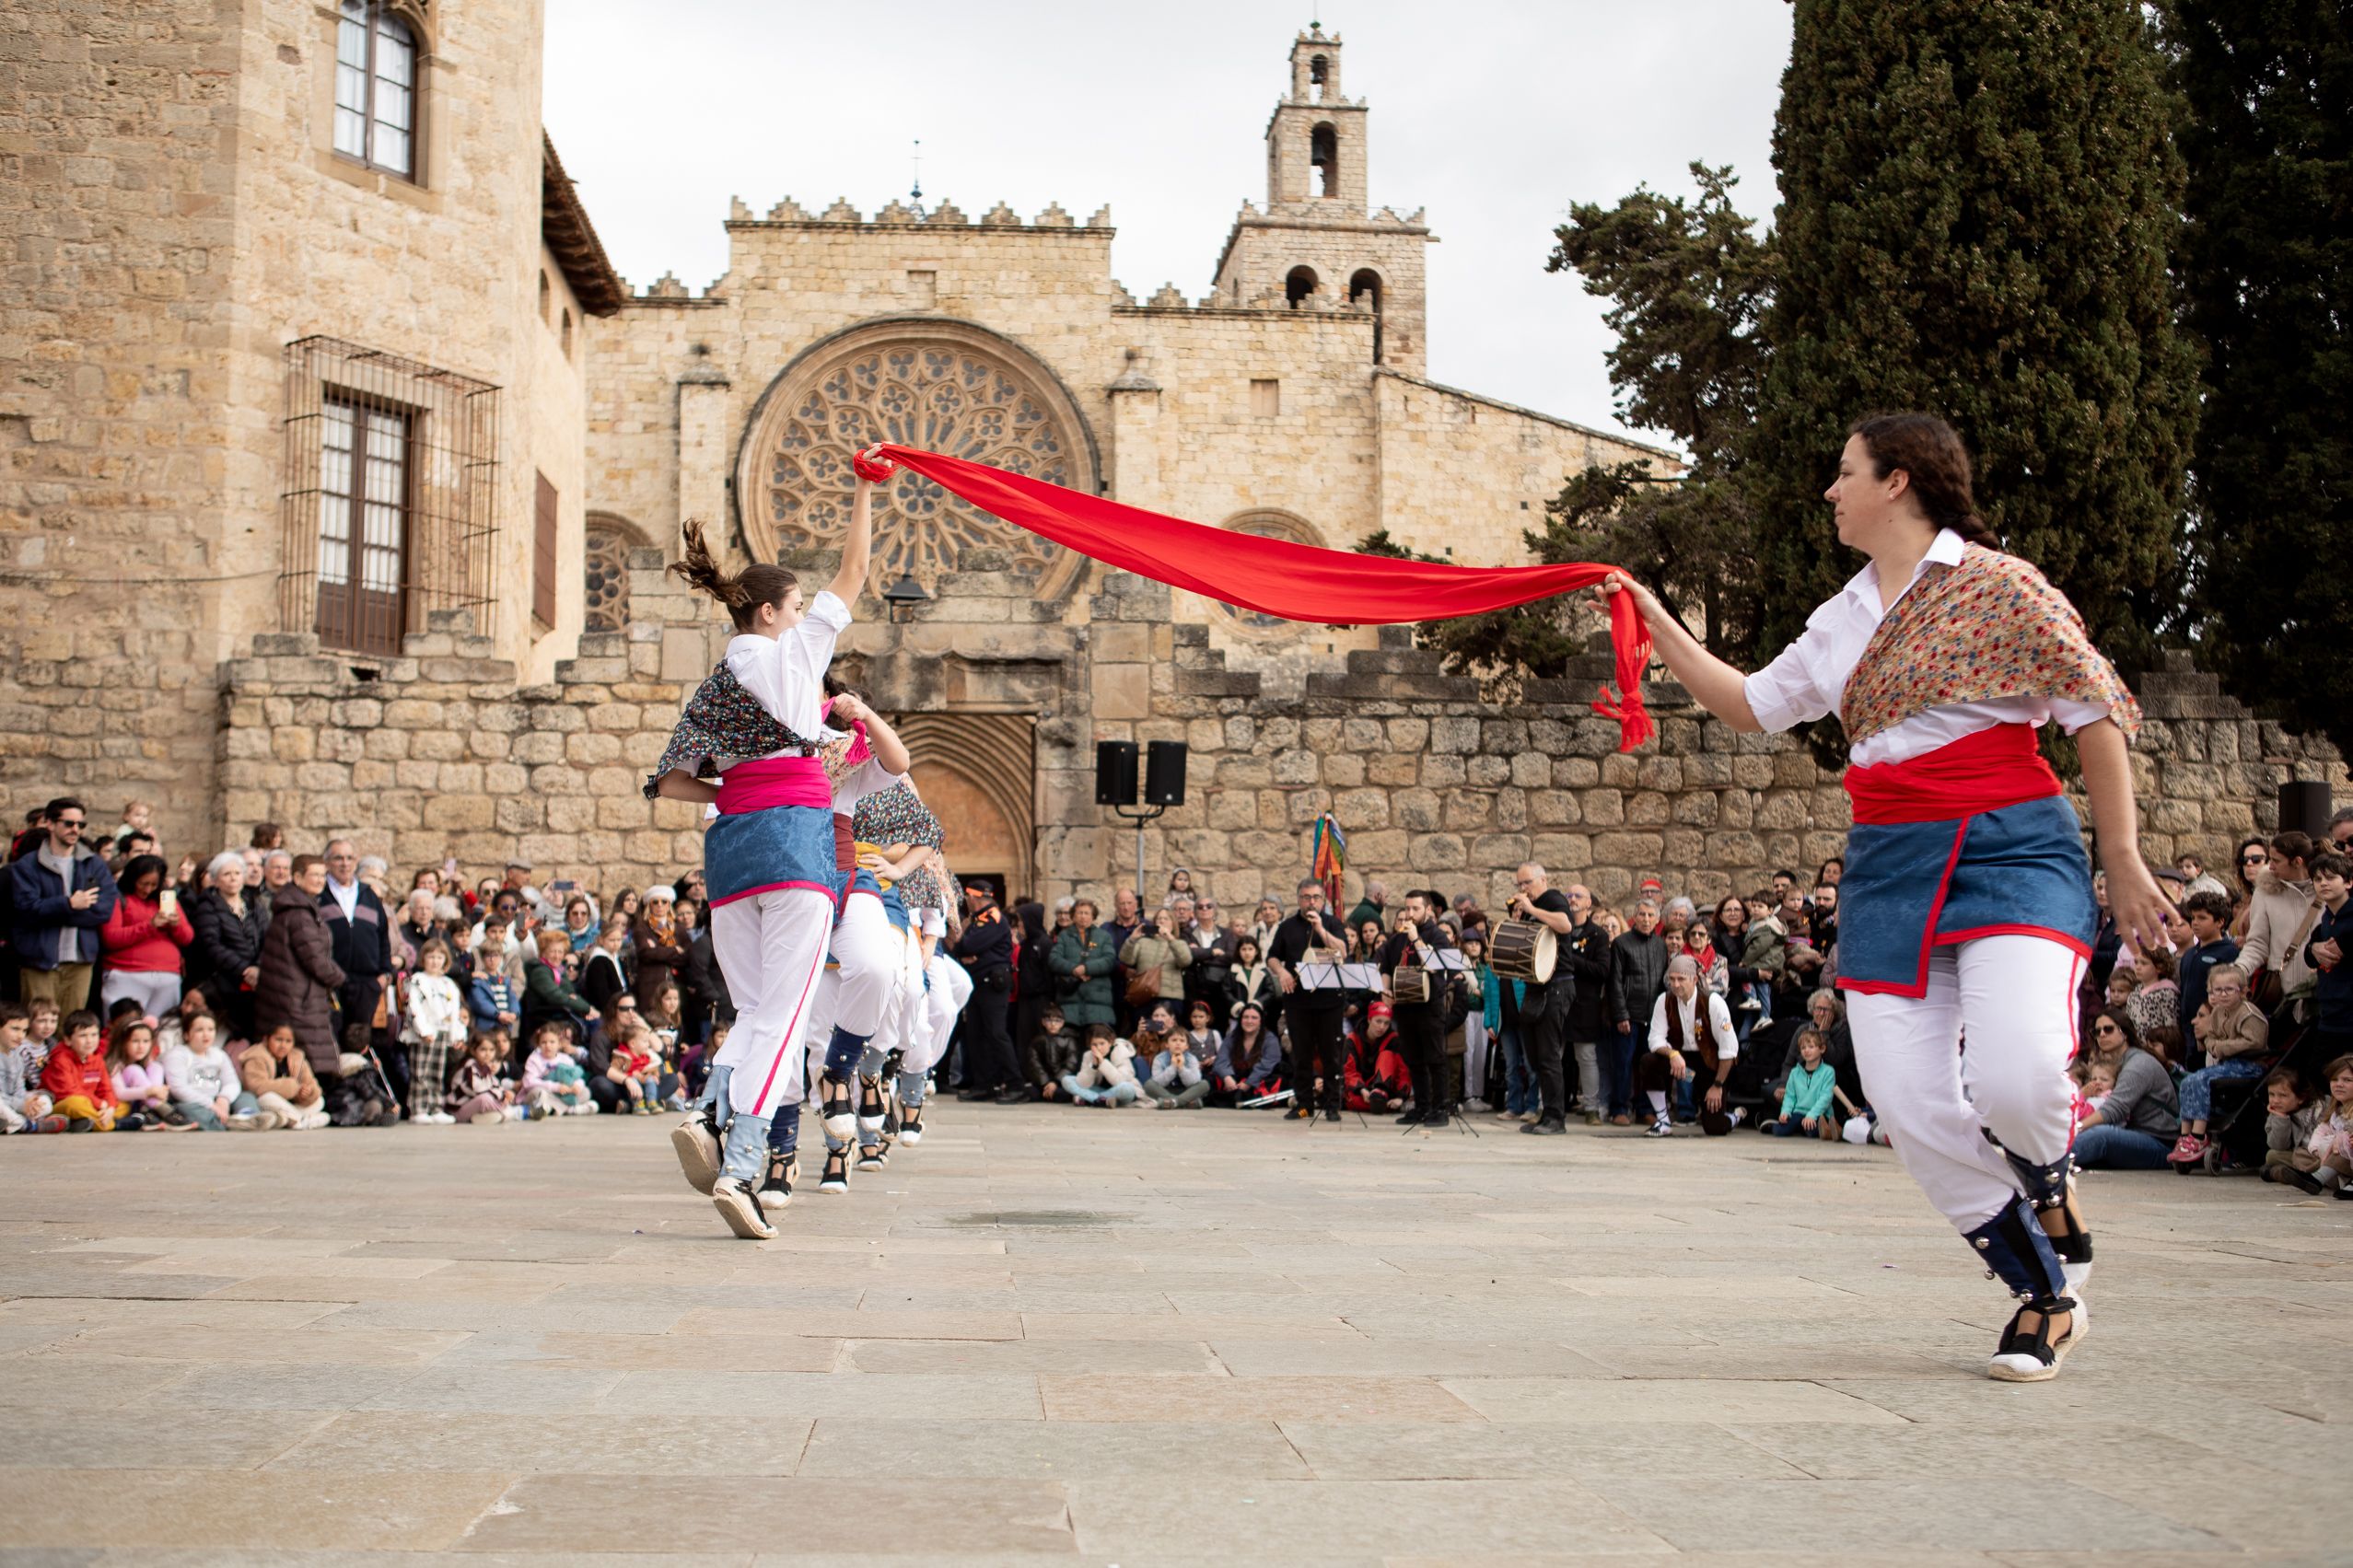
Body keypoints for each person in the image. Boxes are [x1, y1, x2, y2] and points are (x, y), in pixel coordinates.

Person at [1605, 411, 2166, 1380]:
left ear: (1897, 480)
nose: (1829, 490)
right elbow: (1748, 703)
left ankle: (2044, 1176)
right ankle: (2043, 1291)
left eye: (1843, 471)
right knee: (1907, 1103)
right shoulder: (1839, 616)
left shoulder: (2000, 586)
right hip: (1889, 859)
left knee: (2018, 1073)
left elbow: (2091, 705)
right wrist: (1657, 623)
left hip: (2010, 843)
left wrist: (2116, 850)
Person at [652, 456, 874, 1241]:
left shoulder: (716, 684)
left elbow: (673, 784)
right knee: (785, 1011)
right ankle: (741, 1160)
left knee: (754, 1008)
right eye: (796, 602)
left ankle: (711, 1114)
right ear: (779, 611)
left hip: (730, 853)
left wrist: (736, 792)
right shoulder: (799, 652)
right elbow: (854, 571)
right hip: (793, 843)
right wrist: (863, 489)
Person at [8, 798, 118, 1014]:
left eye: (80, 824)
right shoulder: (28, 866)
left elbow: (103, 910)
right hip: (39, 961)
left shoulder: (93, 863)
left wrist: (57, 910)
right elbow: (28, 910)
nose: (75, 829)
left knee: (72, 1029)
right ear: (49, 824)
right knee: (38, 1027)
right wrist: (69, 904)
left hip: (80, 961)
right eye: (68, 823)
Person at [1501, 864, 1579, 1134]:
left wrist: (1532, 910)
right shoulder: (1533, 908)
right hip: (1536, 987)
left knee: (1548, 1055)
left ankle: (1556, 1119)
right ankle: (1547, 1113)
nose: (1523, 889)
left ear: (1542, 879)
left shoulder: (1553, 899)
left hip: (1557, 986)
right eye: (1519, 884)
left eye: (1527, 883)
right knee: (1534, 1056)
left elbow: (1566, 925)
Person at [253, 855, 346, 1080]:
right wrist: (339, 978)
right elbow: (314, 958)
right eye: (314, 875)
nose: (320, 880)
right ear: (297, 877)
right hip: (298, 996)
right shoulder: (299, 913)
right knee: (305, 1055)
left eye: (323, 875)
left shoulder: (300, 907)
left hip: (295, 992)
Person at [2167, 966, 2269, 1166]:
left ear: (2242, 991)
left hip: (2249, 1065)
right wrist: (2215, 1045)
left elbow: (2254, 1042)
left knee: (2202, 1079)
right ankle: (2186, 1135)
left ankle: (2198, 1136)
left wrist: (2221, 1047)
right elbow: (2210, 1039)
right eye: (2217, 990)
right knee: (2189, 1081)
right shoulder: (2217, 1013)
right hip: (2228, 1063)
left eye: (2229, 989)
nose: (2222, 994)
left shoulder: (2249, 1014)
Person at [320, 838, 395, 1098]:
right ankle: (337, 1096)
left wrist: (385, 974)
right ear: (327, 862)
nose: (344, 863)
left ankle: (363, 1096)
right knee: (333, 1039)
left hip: (367, 981)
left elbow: (383, 936)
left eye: (349, 858)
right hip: (333, 981)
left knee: (361, 1041)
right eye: (338, 858)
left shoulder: (368, 894)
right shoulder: (319, 895)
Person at [1637, 954, 1740, 1136]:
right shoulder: (1665, 1000)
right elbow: (1654, 1039)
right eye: (1672, 979)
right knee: (1649, 1061)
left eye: (1681, 979)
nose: (1675, 985)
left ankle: (1735, 1116)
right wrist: (1673, 1054)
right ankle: (1663, 1121)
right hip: (1684, 1066)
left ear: (1694, 978)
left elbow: (1729, 1050)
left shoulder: (1713, 1002)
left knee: (1715, 1128)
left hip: (1711, 1067)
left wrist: (1717, 1085)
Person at [1378, 891, 1456, 1126]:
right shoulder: (1397, 939)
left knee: (1435, 1058)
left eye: (1415, 909)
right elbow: (1383, 963)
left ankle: (1440, 1109)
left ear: (1428, 910)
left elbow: (1435, 967)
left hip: (1429, 1006)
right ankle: (1421, 1107)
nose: (1409, 915)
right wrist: (1385, 990)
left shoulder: (1438, 936)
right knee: (1414, 1060)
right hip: (1405, 1006)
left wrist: (1416, 939)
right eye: (1407, 909)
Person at [2072, 1007, 2180, 1169]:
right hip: (2135, 1136)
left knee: (2102, 1135)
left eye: (2108, 1029)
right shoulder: (2117, 1064)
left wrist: (2076, 1128)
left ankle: (2048, 1162)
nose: (2102, 1035)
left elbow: (2114, 1110)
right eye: (2097, 1031)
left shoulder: (2138, 1064)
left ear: (2125, 1033)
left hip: (2161, 1143)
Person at [96, 853, 192, 1016]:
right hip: (127, 974)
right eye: (143, 883)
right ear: (132, 879)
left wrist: (176, 925)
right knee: (124, 1028)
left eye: (153, 884)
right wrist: (149, 926)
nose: (148, 889)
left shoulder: (166, 900)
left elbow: (187, 937)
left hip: (168, 975)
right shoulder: (118, 899)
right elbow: (110, 938)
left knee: (161, 1031)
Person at [187, 851, 267, 1040]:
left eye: (237, 873)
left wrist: (258, 967)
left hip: (256, 979)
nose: (233, 878)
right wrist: (244, 970)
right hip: (224, 981)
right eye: (226, 874)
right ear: (215, 880)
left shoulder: (254, 904)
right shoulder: (207, 906)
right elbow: (212, 944)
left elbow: (267, 937)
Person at [954, 880, 1020, 1102]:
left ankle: (1014, 1084)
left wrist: (965, 948)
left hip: (992, 984)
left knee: (995, 1034)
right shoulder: (979, 919)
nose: (966, 903)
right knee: (976, 1035)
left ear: (974, 897)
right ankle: (984, 1084)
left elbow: (967, 946)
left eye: (967, 898)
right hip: (978, 982)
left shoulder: (991, 918)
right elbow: (964, 949)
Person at [1606, 900, 1670, 1125]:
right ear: (1635, 916)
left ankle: (1644, 1109)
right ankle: (1619, 1109)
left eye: (1650, 915)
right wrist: (1621, 1015)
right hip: (1628, 1016)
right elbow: (1614, 982)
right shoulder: (1622, 944)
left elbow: (1663, 982)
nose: (1645, 919)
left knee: (1648, 1065)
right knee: (1623, 1064)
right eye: (1641, 914)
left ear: (1657, 919)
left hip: (1652, 1017)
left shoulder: (1661, 946)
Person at [402, 939, 467, 1124]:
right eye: (431, 957)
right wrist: (423, 1030)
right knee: (421, 1072)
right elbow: (413, 1007)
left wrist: (457, 1034)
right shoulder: (417, 980)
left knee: (437, 1072)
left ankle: (436, 1107)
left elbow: (455, 1011)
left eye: (439, 957)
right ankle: (419, 1108)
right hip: (425, 1034)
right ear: (423, 959)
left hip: (443, 1031)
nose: (435, 961)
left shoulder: (449, 984)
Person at [164, 1011, 260, 1131]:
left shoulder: (218, 1054)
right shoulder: (178, 1054)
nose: (206, 1034)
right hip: (195, 1103)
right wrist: (211, 1105)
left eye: (210, 1029)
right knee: (187, 1110)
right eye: (199, 1030)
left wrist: (224, 1099)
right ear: (186, 1035)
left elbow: (232, 1082)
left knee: (246, 1096)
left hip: (218, 1101)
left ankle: (247, 1116)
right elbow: (178, 1089)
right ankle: (228, 1124)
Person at [2301, 852, 2352, 1060]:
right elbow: (2309, 953)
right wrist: (2314, 948)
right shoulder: (2326, 917)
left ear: (2348, 882)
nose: (2324, 884)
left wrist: (2344, 946)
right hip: (2331, 1012)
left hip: (2349, 1012)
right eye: (2318, 879)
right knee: (2320, 1075)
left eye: (2331, 878)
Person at [2174, 889, 2240, 1044]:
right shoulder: (2189, 954)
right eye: (2193, 917)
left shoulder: (2229, 953)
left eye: (2202, 918)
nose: (2195, 922)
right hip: (2188, 1031)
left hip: (2215, 1032)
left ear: (2220, 922)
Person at [237, 1021, 329, 1130]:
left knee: (319, 1101)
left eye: (288, 1041)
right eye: (278, 1040)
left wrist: (307, 1092)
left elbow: (312, 1085)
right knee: (267, 1097)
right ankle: (303, 1121)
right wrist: (292, 1087)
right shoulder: (257, 1056)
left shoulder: (297, 1058)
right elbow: (257, 1087)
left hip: (290, 1106)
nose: (283, 1045)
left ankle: (293, 1120)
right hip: (266, 1105)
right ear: (266, 1039)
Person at [2257, 1069, 2326, 1192]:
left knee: (2298, 1160)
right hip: (2300, 1156)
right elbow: (2278, 1145)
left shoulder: (2319, 1109)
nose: (2275, 1100)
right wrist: (2281, 1118)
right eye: (2271, 1094)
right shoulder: (2276, 1114)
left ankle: (2277, 1173)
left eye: (2283, 1095)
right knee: (2272, 1155)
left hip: (2321, 1155)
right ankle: (2289, 1174)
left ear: (2300, 1098)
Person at [1766, 1027, 1841, 1140]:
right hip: (1799, 1112)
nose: (1806, 1050)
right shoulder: (1795, 1072)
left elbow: (1826, 1098)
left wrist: (1812, 1115)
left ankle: (1828, 1129)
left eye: (1811, 1047)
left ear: (1822, 1049)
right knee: (1779, 1131)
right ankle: (1781, 1125)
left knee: (1812, 1130)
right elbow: (1790, 1096)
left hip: (1820, 1114)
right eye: (1803, 1048)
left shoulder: (1828, 1071)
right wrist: (1785, 1112)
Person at [1213, 1002, 1281, 1107]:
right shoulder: (1232, 1037)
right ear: (1240, 1020)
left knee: (1276, 1079)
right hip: (1236, 1079)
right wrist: (1226, 1077)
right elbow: (1221, 1059)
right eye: (1246, 1017)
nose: (1249, 1021)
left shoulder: (1270, 1039)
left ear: (1260, 1021)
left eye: (1254, 1018)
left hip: (1258, 1078)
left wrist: (1249, 1083)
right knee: (1213, 1077)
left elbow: (1267, 1065)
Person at [1061, 1024, 1139, 1106]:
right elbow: (1083, 1084)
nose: (1098, 1048)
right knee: (1067, 1080)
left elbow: (1120, 1081)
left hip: (1120, 1092)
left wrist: (1102, 1063)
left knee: (1127, 1088)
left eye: (1102, 1043)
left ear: (1110, 1042)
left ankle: (1090, 1099)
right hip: (1099, 1090)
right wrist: (1093, 1066)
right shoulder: (1088, 1055)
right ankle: (1101, 1100)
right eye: (1094, 1044)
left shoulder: (1121, 1051)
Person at [449, 1035, 517, 1124]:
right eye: (483, 1050)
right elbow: (475, 1089)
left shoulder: (484, 1067)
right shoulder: (469, 1066)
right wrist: (501, 1096)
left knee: (501, 1098)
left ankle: (483, 1117)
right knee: (484, 1099)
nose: (488, 1054)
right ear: (473, 1051)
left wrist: (504, 1093)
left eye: (491, 1050)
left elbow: (494, 1084)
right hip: (458, 1110)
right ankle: (504, 1111)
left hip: (473, 1107)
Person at [1143, 1026, 1209, 1109]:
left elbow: (1193, 1082)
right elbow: (1158, 1082)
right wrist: (1173, 1066)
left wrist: (1181, 1068)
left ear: (1187, 1046)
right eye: (1174, 1040)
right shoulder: (1159, 1059)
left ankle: (1172, 1102)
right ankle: (1186, 1103)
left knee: (1204, 1084)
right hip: (1166, 1091)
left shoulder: (1192, 1059)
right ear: (1167, 1044)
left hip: (1187, 1091)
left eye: (1182, 1041)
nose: (1178, 1043)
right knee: (1149, 1084)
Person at [1025, 1004, 1079, 1101]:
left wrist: (1055, 1082)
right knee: (1030, 1093)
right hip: (1043, 1082)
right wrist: (1046, 1083)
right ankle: (1047, 1093)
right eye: (1049, 1020)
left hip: (1061, 1082)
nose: (1053, 1024)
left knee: (1063, 1093)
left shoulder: (1069, 1040)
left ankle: (1050, 1094)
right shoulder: (1037, 1040)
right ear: (1043, 1022)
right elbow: (1034, 1064)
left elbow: (1071, 1064)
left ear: (1062, 1023)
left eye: (1057, 1021)